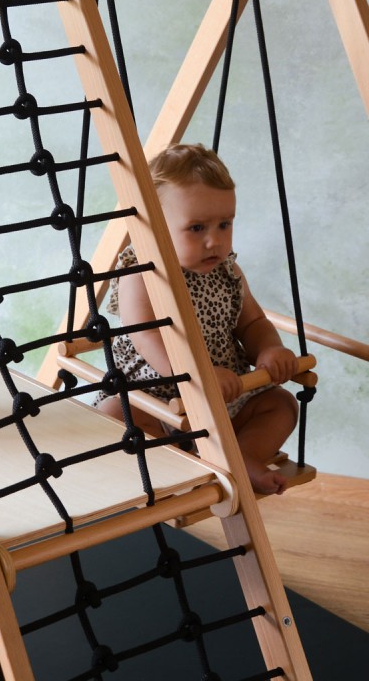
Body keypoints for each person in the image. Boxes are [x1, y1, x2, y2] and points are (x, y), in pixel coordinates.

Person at [94, 143, 299, 496]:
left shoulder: (228, 271)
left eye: (224, 224)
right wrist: (198, 373)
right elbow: (148, 340)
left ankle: (242, 458)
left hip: (223, 396)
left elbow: (252, 322)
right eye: (197, 228)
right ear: (154, 225)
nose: (213, 241)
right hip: (157, 399)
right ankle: (176, 463)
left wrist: (269, 349)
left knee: (282, 405)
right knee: (113, 417)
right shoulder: (141, 273)